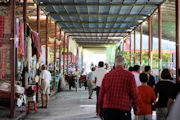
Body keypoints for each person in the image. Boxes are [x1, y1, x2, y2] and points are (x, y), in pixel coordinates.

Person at [98, 56, 139, 120]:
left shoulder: (107, 76)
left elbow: (101, 94)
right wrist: (136, 108)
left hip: (108, 108)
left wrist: (99, 110)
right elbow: (135, 93)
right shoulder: (130, 76)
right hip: (123, 108)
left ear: (115, 64)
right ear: (125, 65)